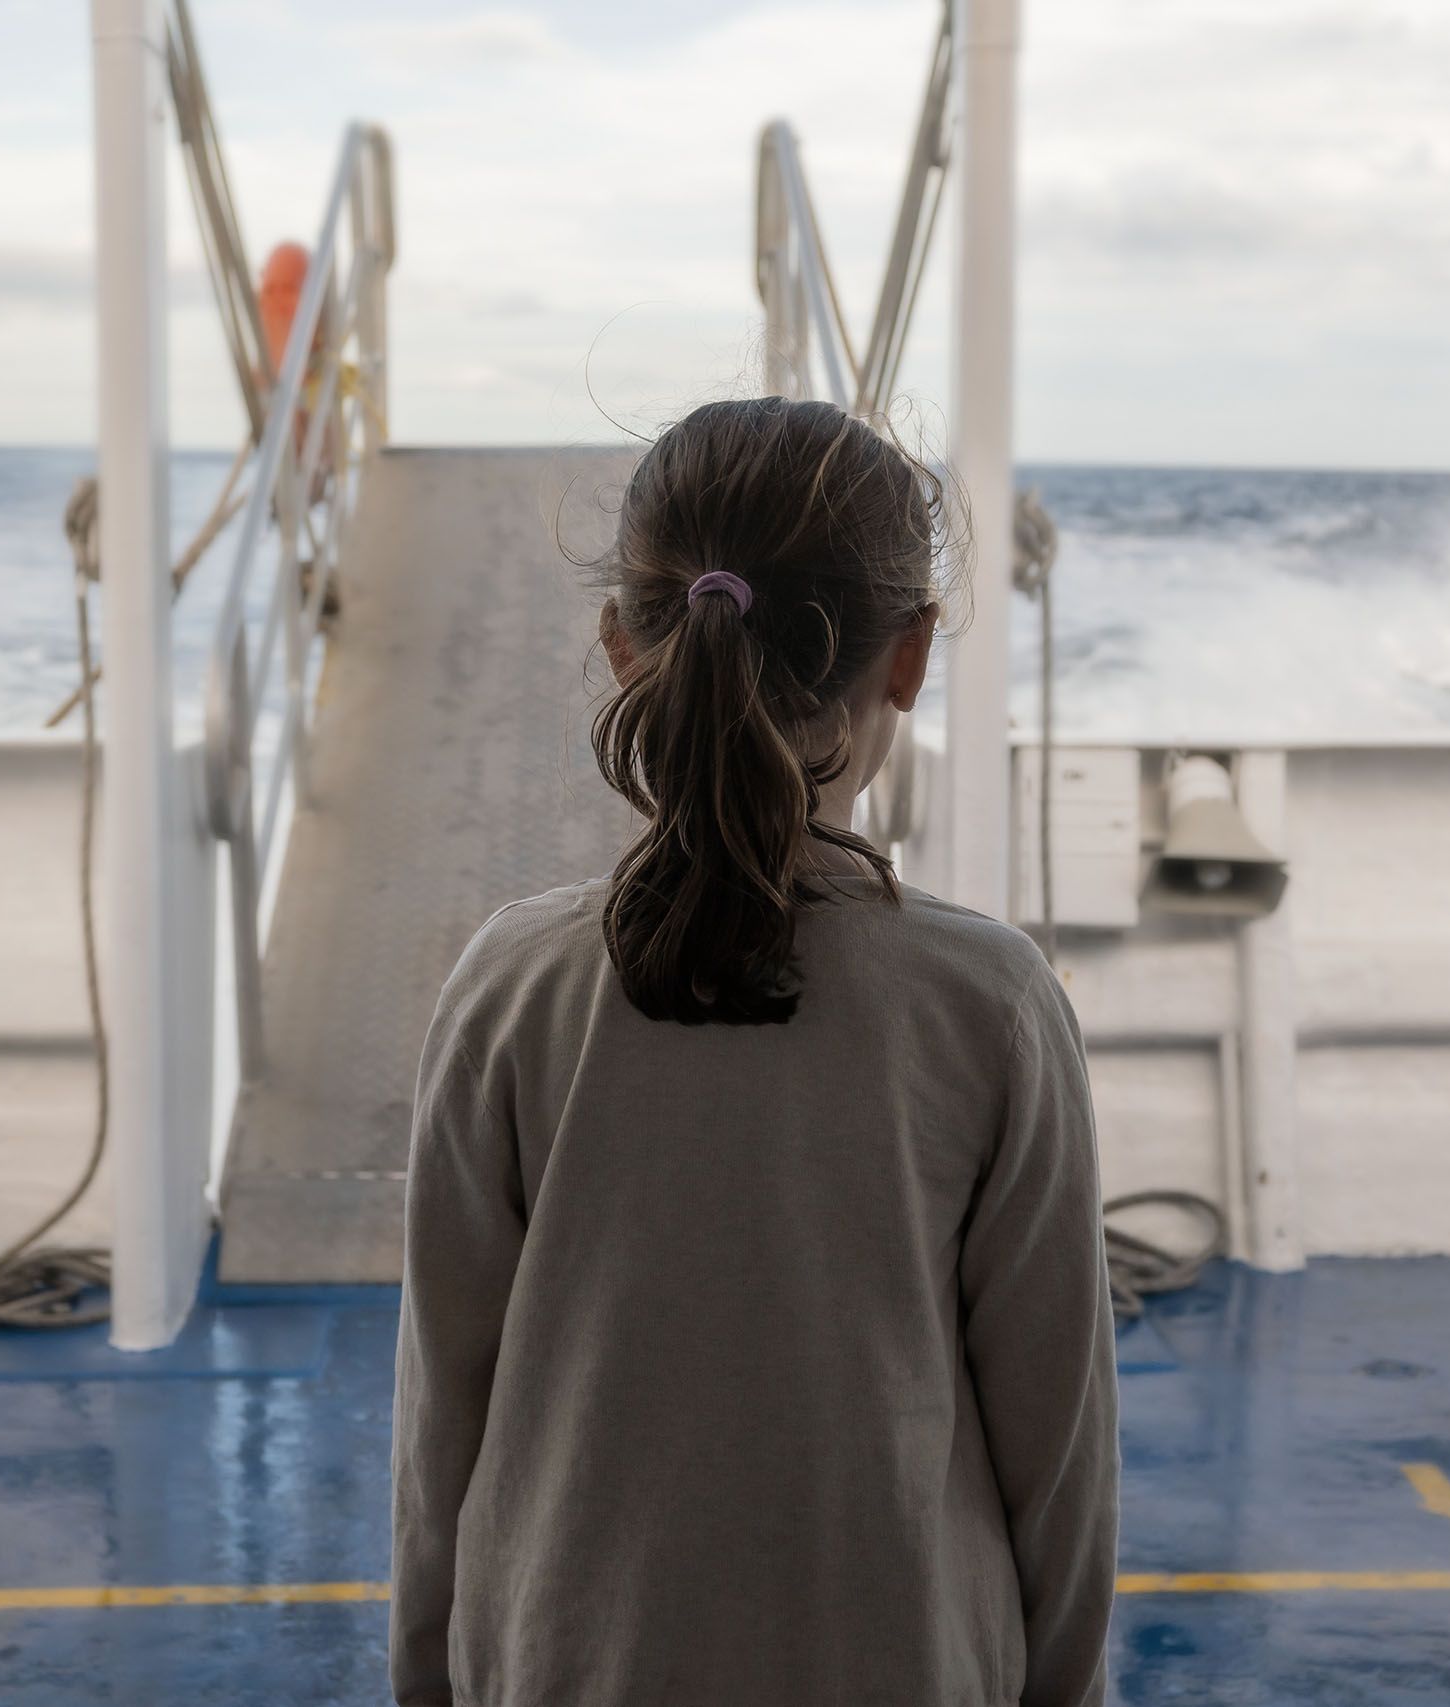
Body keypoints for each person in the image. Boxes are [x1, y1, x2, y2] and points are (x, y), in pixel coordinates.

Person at [390, 396, 1118, 1707]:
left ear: (625, 647)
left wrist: (432, 1679)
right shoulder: (991, 1004)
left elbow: (447, 1411)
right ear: (910, 656)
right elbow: (1056, 1458)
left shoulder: (508, 982)